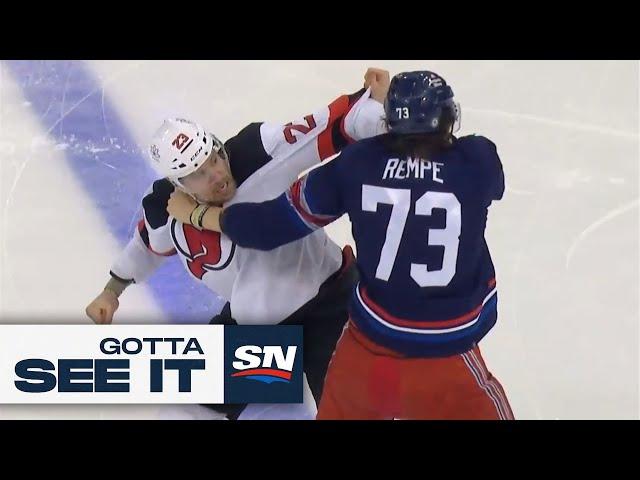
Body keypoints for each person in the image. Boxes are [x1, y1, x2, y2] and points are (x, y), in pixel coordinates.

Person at [183, 70, 514, 419]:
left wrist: (201, 216)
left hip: (369, 349)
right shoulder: (478, 159)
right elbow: (483, 183)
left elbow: (269, 227)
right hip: (447, 348)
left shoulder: (358, 163)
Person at [85, 67, 390, 420]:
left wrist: (378, 111)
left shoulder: (258, 152)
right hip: (258, 328)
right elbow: (147, 243)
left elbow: (329, 126)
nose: (216, 174)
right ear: (178, 183)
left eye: (214, 158)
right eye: (199, 173)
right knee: (190, 406)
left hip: (331, 306)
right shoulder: (166, 210)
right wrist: (112, 291)